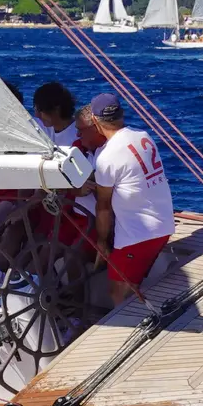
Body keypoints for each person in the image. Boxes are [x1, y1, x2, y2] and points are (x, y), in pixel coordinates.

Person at [77, 93, 175, 305]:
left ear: (94, 120)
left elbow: (103, 208)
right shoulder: (143, 136)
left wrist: (102, 242)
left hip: (139, 236)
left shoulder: (107, 157)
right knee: (130, 282)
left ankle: (133, 328)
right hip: (163, 224)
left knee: (117, 292)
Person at [32, 81, 80, 149]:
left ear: (56, 108)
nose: (37, 115)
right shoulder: (42, 128)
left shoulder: (79, 134)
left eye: (40, 110)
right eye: (36, 109)